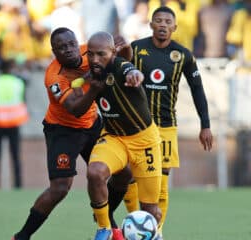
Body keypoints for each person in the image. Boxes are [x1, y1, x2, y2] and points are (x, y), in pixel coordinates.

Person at [12, 27, 131, 240]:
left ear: (78, 43)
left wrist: (122, 48)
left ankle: (105, 218)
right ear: (53, 52)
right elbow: (75, 109)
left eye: (71, 44)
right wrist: (93, 88)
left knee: (124, 173)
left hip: (93, 125)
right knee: (59, 188)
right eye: (61, 48)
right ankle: (21, 237)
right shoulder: (53, 76)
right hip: (63, 130)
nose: (68, 50)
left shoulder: (92, 51)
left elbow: (122, 61)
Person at [123, 6, 213, 236]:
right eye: (158, 20)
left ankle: (156, 231)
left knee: (162, 181)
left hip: (166, 126)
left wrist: (205, 125)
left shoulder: (183, 55)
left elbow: (197, 89)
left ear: (174, 27)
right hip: (137, 125)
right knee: (130, 176)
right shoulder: (136, 49)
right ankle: (135, 221)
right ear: (151, 25)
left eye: (167, 22)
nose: (163, 24)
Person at [70, 31, 163, 240]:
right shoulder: (93, 74)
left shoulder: (121, 66)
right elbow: (77, 106)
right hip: (114, 138)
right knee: (95, 172)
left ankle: (155, 235)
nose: (94, 59)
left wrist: (135, 75)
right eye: (90, 54)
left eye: (101, 54)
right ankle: (104, 229)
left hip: (144, 141)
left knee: (151, 211)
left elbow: (130, 67)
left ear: (112, 53)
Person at [0, 59, 29, 189]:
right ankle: (18, 184)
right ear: (10, 69)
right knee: (16, 156)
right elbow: (23, 99)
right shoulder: (19, 83)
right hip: (14, 122)